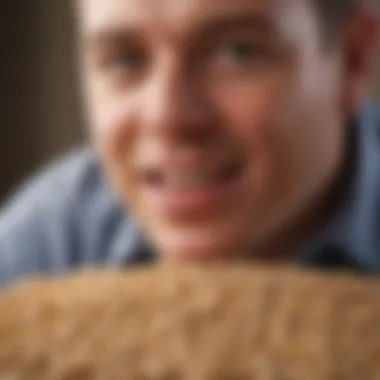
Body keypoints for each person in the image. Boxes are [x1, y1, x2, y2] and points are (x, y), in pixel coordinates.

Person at [0, 0, 378, 285]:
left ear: (351, 61)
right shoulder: (47, 249)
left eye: (238, 52)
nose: (169, 117)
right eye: (123, 60)